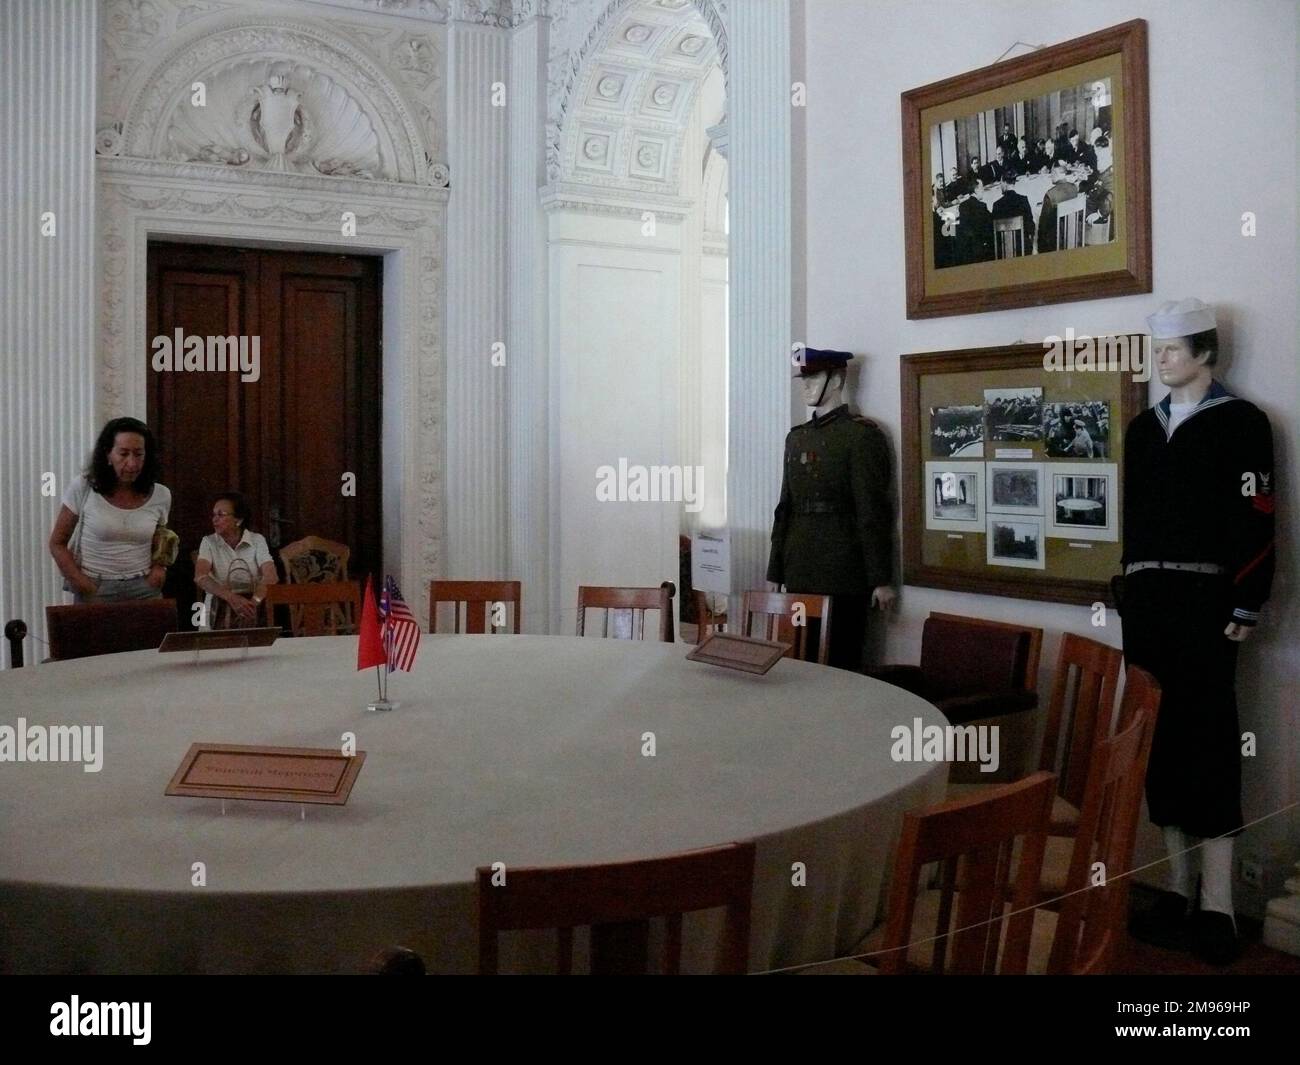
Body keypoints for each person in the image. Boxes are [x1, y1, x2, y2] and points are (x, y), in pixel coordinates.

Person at [1121, 298, 1276, 966]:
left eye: (1173, 349)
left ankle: (1218, 904)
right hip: (1148, 603)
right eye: (1157, 349)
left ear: (1205, 352)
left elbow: (1258, 515)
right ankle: (1178, 890)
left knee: (1209, 746)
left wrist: (1247, 602)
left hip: (1207, 604)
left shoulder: (1242, 424)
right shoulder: (1141, 428)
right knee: (1159, 747)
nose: (1162, 360)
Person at [769, 349, 894, 672]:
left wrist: (880, 578)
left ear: (837, 380)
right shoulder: (797, 438)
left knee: (841, 665)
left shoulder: (861, 436)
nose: (805, 386)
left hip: (843, 571)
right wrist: (776, 570)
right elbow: (785, 507)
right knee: (798, 663)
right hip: (799, 568)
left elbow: (872, 510)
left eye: (813, 378)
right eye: (804, 379)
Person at [49, 417, 173, 603]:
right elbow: (57, 543)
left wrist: (159, 569)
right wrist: (82, 584)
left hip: (144, 588)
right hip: (95, 586)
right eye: (123, 454)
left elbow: (162, 538)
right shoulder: (83, 487)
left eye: (138, 454)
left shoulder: (161, 495)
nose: (131, 463)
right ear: (108, 454)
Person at [194, 491, 278, 629]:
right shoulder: (208, 542)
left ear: (238, 520)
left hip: (253, 605)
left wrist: (253, 603)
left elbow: (271, 576)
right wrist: (231, 598)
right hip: (218, 605)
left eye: (220, 515)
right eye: (214, 515)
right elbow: (200, 577)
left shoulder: (257, 540)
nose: (214, 519)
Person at [1036, 163, 1079, 254]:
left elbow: (1043, 225)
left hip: (1055, 243)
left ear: (1055, 173)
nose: (1050, 176)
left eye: (1051, 173)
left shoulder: (1050, 195)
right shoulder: (1074, 188)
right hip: (1073, 236)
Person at [990, 172, 1035, 256]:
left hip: (1003, 252)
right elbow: (1031, 227)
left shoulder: (997, 205)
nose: (1000, 186)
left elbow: (993, 234)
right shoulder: (1023, 200)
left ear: (1004, 183)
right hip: (1023, 250)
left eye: (1000, 183)